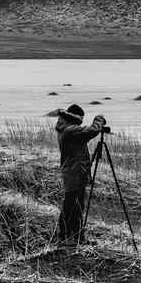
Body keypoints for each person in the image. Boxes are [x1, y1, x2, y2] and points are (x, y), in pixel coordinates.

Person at [49, 103, 115, 244]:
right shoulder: (70, 131)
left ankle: (75, 237)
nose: (82, 122)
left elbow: (87, 132)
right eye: (81, 118)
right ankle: (67, 237)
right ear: (75, 117)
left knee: (75, 206)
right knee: (72, 206)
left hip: (74, 172)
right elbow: (92, 131)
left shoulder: (66, 129)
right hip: (75, 173)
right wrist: (99, 118)